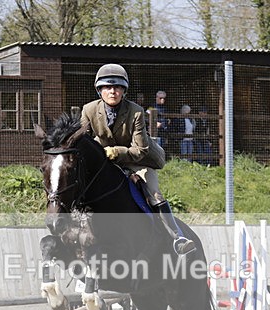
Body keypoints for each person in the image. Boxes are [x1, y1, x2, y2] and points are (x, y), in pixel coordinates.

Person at [81, 64, 195, 255]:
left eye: (117, 87)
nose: (112, 91)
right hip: (104, 163)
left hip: (137, 161)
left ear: (124, 90)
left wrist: (115, 152)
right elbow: (83, 142)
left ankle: (177, 238)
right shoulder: (89, 110)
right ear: (99, 90)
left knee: (155, 193)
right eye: (107, 87)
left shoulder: (136, 111)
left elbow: (140, 150)